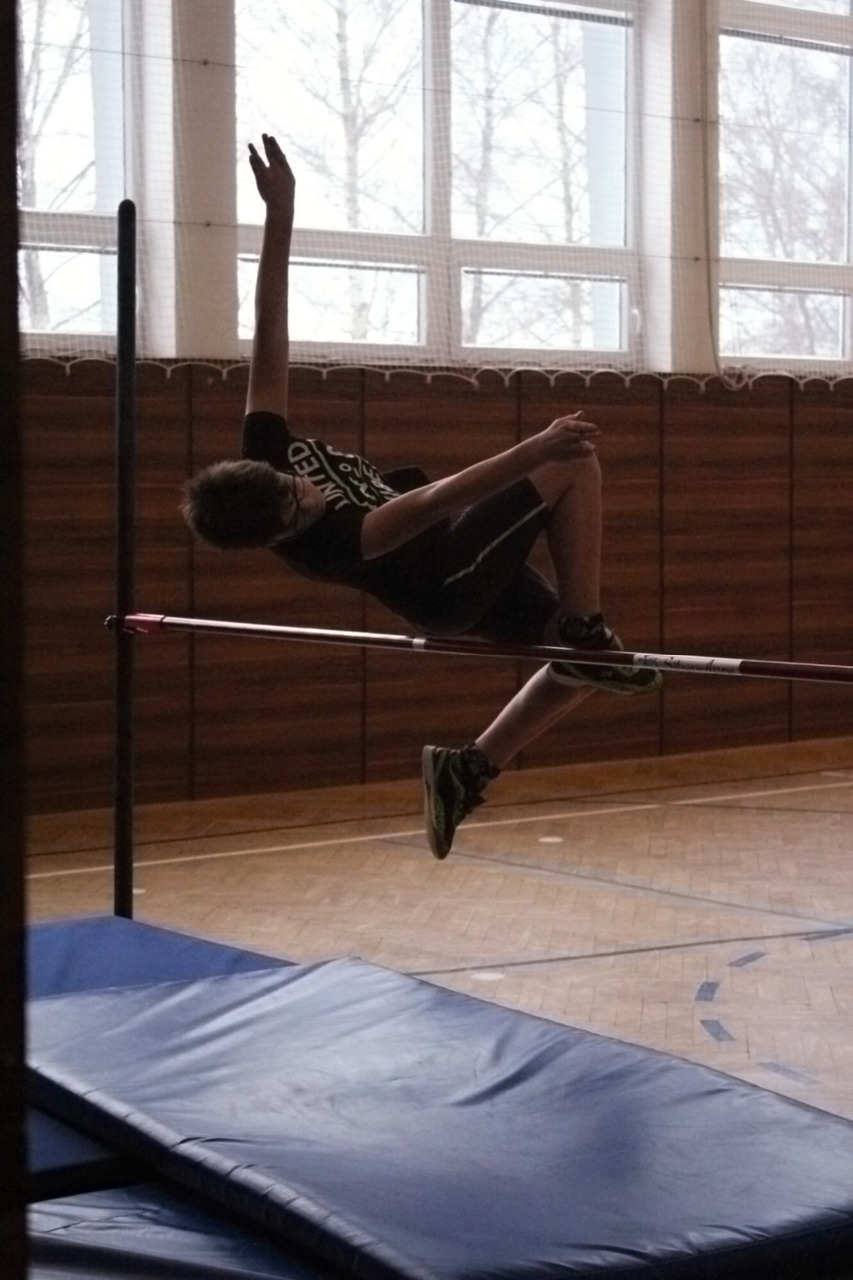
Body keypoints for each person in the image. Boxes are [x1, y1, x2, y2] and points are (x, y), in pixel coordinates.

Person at [182, 134, 661, 860]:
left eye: (290, 481)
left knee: (577, 667)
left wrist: (280, 216)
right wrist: (534, 448)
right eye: (295, 505)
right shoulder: (328, 547)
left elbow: (268, 331)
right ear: (279, 534)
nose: (305, 491)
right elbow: (435, 500)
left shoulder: (263, 451)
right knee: (573, 464)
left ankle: (468, 767)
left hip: (458, 555)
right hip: (447, 583)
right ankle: (586, 625)